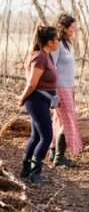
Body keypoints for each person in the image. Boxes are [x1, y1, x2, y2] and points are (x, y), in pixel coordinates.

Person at [18, 25, 60, 184]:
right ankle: (35, 173)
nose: (59, 42)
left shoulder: (46, 55)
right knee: (46, 136)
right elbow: (31, 83)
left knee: (36, 136)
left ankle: (26, 171)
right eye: (57, 39)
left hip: (42, 101)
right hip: (36, 100)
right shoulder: (40, 57)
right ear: (50, 42)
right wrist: (22, 98)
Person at [49, 13, 83, 168]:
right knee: (67, 120)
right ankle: (59, 157)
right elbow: (51, 67)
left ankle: (53, 151)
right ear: (64, 28)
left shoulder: (67, 44)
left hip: (68, 86)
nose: (74, 30)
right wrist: (53, 90)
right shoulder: (58, 45)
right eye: (72, 28)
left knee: (59, 120)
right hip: (60, 87)